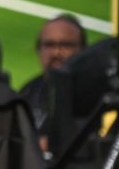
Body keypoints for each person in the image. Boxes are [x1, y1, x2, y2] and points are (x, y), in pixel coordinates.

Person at [18, 14, 87, 149]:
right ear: (39, 51)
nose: (56, 52)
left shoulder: (92, 95)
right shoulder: (29, 90)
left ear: (83, 51)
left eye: (66, 45)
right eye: (49, 45)